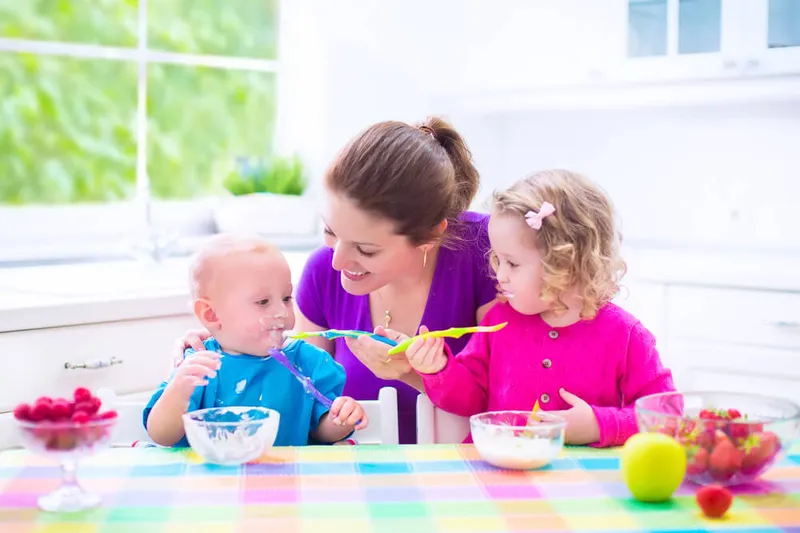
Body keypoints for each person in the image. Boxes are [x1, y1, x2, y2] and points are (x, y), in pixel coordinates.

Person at [175, 117, 498, 445]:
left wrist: (411, 373)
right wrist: (227, 341)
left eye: (366, 249)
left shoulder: (487, 253)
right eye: (330, 231)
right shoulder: (321, 273)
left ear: (428, 237)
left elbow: (510, 400)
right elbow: (300, 392)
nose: (338, 261)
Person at [403, 169, 676, 447]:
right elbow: (469, 399)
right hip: (496, 473)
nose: (501, 275)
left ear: (566, 263)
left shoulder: (626, 335)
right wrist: (440, 369)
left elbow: (667, 415)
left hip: (582, 483)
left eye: (513, 263)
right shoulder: (499, 322)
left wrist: (597, 425)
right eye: (498, 260)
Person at [145, 234, 368, 448]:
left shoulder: (310, 362)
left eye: (286, 298)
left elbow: (319, 431)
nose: (281, 312)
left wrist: (340, 420)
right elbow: (162, 436)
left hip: (286, 479)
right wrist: (178, 392)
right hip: (211, 481)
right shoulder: (199, 367)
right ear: (212, 314)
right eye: (263, 301)